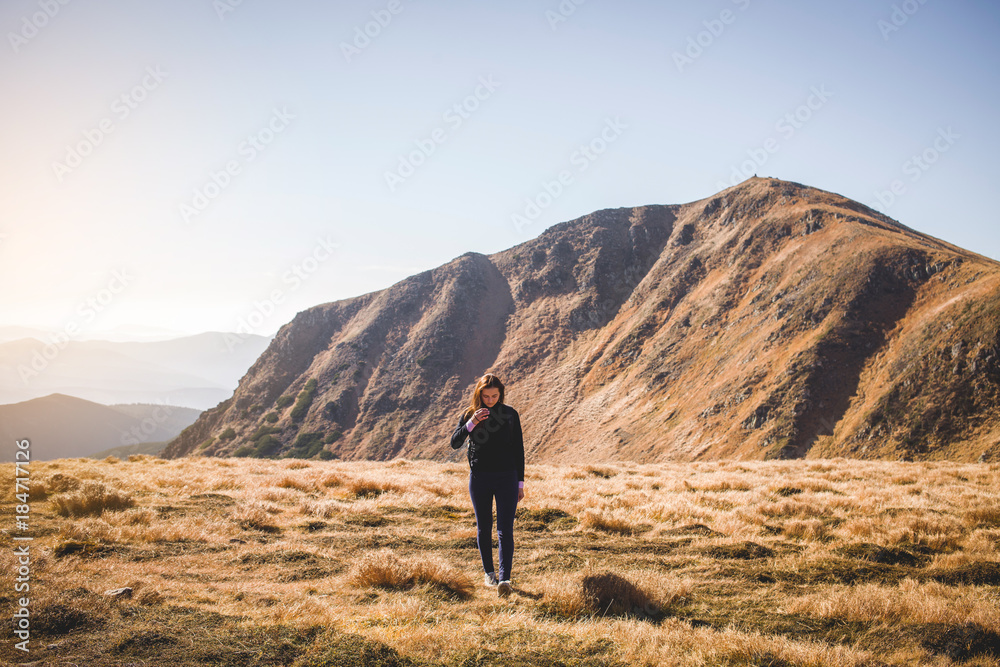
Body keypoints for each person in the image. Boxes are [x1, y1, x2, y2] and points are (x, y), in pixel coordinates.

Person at [450, 373, 525, 597]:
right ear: (479, 395)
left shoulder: (510, 415)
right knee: (484, 527)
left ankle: (505, 579)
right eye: (486, 396)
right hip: (480, 477)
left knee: (505, 529)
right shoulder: (469, 414)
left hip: (507, 478)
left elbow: (518, 450)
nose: (490, 400)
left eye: (494, 396)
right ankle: (489, 574)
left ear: (501, 394)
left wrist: (520, 483)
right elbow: (455, 443)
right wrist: (472, 423)